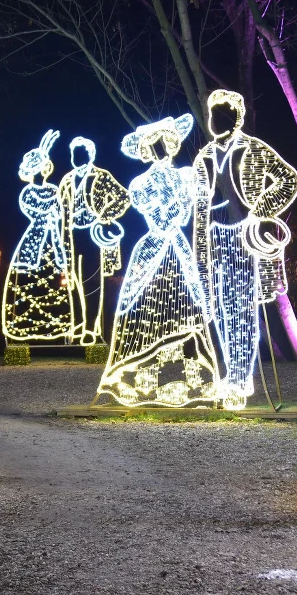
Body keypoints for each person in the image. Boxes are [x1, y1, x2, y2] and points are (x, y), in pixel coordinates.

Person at [98, 115, 219, 407]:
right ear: (147, 150)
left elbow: (184, 216)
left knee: (186, 307)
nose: (161, 147)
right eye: (154, 143)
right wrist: (178, 199)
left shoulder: (186, 176)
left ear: (172, 143)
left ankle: (195, 377)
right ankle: (140, 376)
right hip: (154, 248)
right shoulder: (141, 183)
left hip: (177, 249)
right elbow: (163, 220)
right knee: (144, 308)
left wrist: (185, 195)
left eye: (164, 141)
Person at [192, 90, 297, 409]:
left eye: (221, 115)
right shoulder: (204, 157)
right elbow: (199, 209)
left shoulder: (253, 149)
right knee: (221, 311)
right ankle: (232, 375)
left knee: (242, 311)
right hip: (216, 239)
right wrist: (200, 251)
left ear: (235, 118)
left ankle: (240, 380)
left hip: (245, 239)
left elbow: (288, 180)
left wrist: (260, 210)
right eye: (212, 115)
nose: (214, 121)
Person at [57, 136, 130, 344]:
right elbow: (61, 210)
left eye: (79, 153)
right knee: (73, 282)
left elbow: (123, 197)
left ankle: (91, 328)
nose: (75, 157)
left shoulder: (101, 176)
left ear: (90, 155)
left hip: (94, 234)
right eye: (73, 153)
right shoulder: (67, 180)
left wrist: (104, 216)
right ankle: (78, 324)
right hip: (72, 235)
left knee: (92, 282)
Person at [2, 130, 73, 342]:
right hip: (34, 240)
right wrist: (51, 209)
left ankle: (60, 325)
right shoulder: (28, 193)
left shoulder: (53, 190)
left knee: (56, 280)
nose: (44, 170)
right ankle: (23, 325)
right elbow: (39, 209)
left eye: (45, 166)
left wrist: (56, 210)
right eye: (41, 166)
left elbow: (58, 211)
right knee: (28, 278)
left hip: (53, 239)